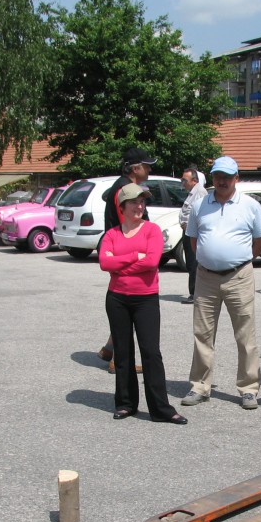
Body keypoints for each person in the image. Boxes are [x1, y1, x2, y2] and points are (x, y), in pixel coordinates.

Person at [181, 156, 261, 410]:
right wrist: (211, 259)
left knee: (245, 334)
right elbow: (194, 242)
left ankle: (248, 389)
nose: (222, 181)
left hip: (238, 275)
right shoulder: (199, 205)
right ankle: (200, 386)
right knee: (202, 334)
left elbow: (258, 243)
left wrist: (237, 261)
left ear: (236, 179)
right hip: (206, 277)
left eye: (228, 177)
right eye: (218, 176)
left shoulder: (250, 206)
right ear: (213, 178)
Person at [99, 183, 186, 425]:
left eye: (142, 202)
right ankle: (126, 403)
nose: (139, 206)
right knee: (123, 353)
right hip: (116, 298)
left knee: (150, 353)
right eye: (134, 202)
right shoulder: (112, 234)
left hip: (145, 299)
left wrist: (120, 265)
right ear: (122, 207)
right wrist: (132, 257)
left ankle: (161, 409)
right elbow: (104, 264)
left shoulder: (152, 230)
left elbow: (151, 262)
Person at [97, 147, 156, 372]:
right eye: (146, 165)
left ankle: (110, 349)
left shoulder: (127, 186)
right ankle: (116, 360)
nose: (149, 168)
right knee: (127, 304)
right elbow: (129, 226)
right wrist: (134, 256)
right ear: (135, 168)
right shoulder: (124, 190)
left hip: (119, 253)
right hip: (123, 253)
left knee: (125, 306)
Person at [178, 167, 207, 304]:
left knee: (193, 263)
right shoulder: (192, 192)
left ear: (194, 180)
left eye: (185, 180)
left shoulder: (200, 192)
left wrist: (190, 226)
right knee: (191, 263)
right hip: (188, 232)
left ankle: (195, 293)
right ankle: (194, 292)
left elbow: (201, 213)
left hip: (194, 233)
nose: (182, 182)